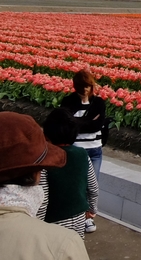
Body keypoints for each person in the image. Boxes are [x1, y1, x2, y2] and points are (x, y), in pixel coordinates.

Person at [0, 112, 90, 260]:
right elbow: (92, 186)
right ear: (35, 174)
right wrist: (92, 207)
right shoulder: (64, 245)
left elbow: (45, 200)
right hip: (77, 220)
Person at [60, 69, 105, 233]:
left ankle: (88, 218)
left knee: (92, 186)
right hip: (75, 151)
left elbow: (97, 125)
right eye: (82, 86)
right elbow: (66, 124)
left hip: (95, 149)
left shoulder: (98, 102)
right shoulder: (68, 102)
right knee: (77, 184)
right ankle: (76, 216)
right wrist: (86, 121)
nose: (86, 89)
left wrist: (78, 122)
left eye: (88, 86)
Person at [42, 108, 99, 238]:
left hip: (53, 219)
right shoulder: (82, 154)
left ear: (46, 134)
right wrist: (92, 209)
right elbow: (93, 188)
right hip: (78, 217)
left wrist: (36, 222)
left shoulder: (45, 159)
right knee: (74, 249)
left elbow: (43, 197)